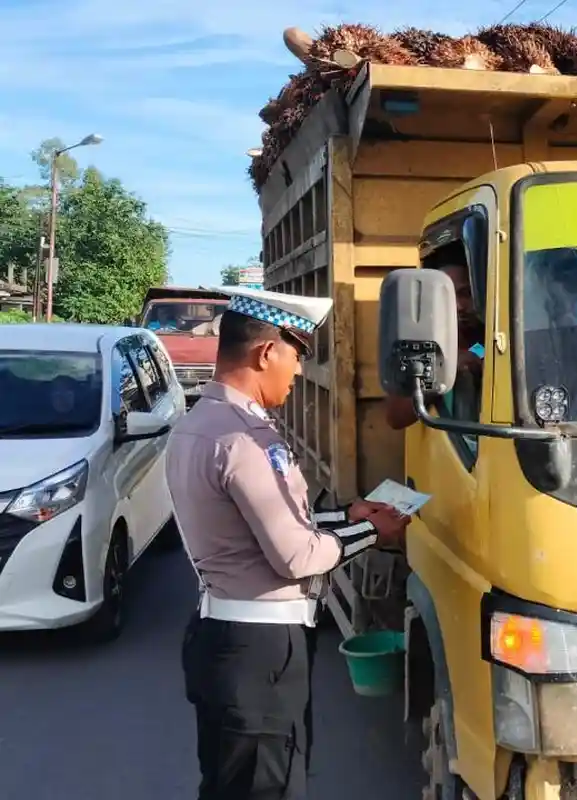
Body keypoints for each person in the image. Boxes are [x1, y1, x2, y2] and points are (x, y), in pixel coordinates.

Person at [164, 286, 410, 800]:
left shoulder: (198, 425)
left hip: (225, 638)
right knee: (266, 787)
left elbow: (255, 526)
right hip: (260, 654)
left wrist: (345, 515)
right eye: (296, 355)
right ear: (265, 353)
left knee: (231, 783)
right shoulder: (246, 439)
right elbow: (296, 556)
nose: (298, 372)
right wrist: (373, 531)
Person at [384, 260, 485, 431]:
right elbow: (395, 416)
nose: (459, 306)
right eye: (448, 297)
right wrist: (444, 373)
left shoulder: (489, 340)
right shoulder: (421, 349)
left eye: (465, 293)